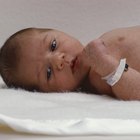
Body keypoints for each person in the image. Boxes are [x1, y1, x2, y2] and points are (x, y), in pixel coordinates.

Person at [0, 26, 140, 100]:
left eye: (53, 45)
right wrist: (108, 66)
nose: (58, 60)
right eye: (48, 73)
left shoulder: (99, 44)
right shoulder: (99, 76)